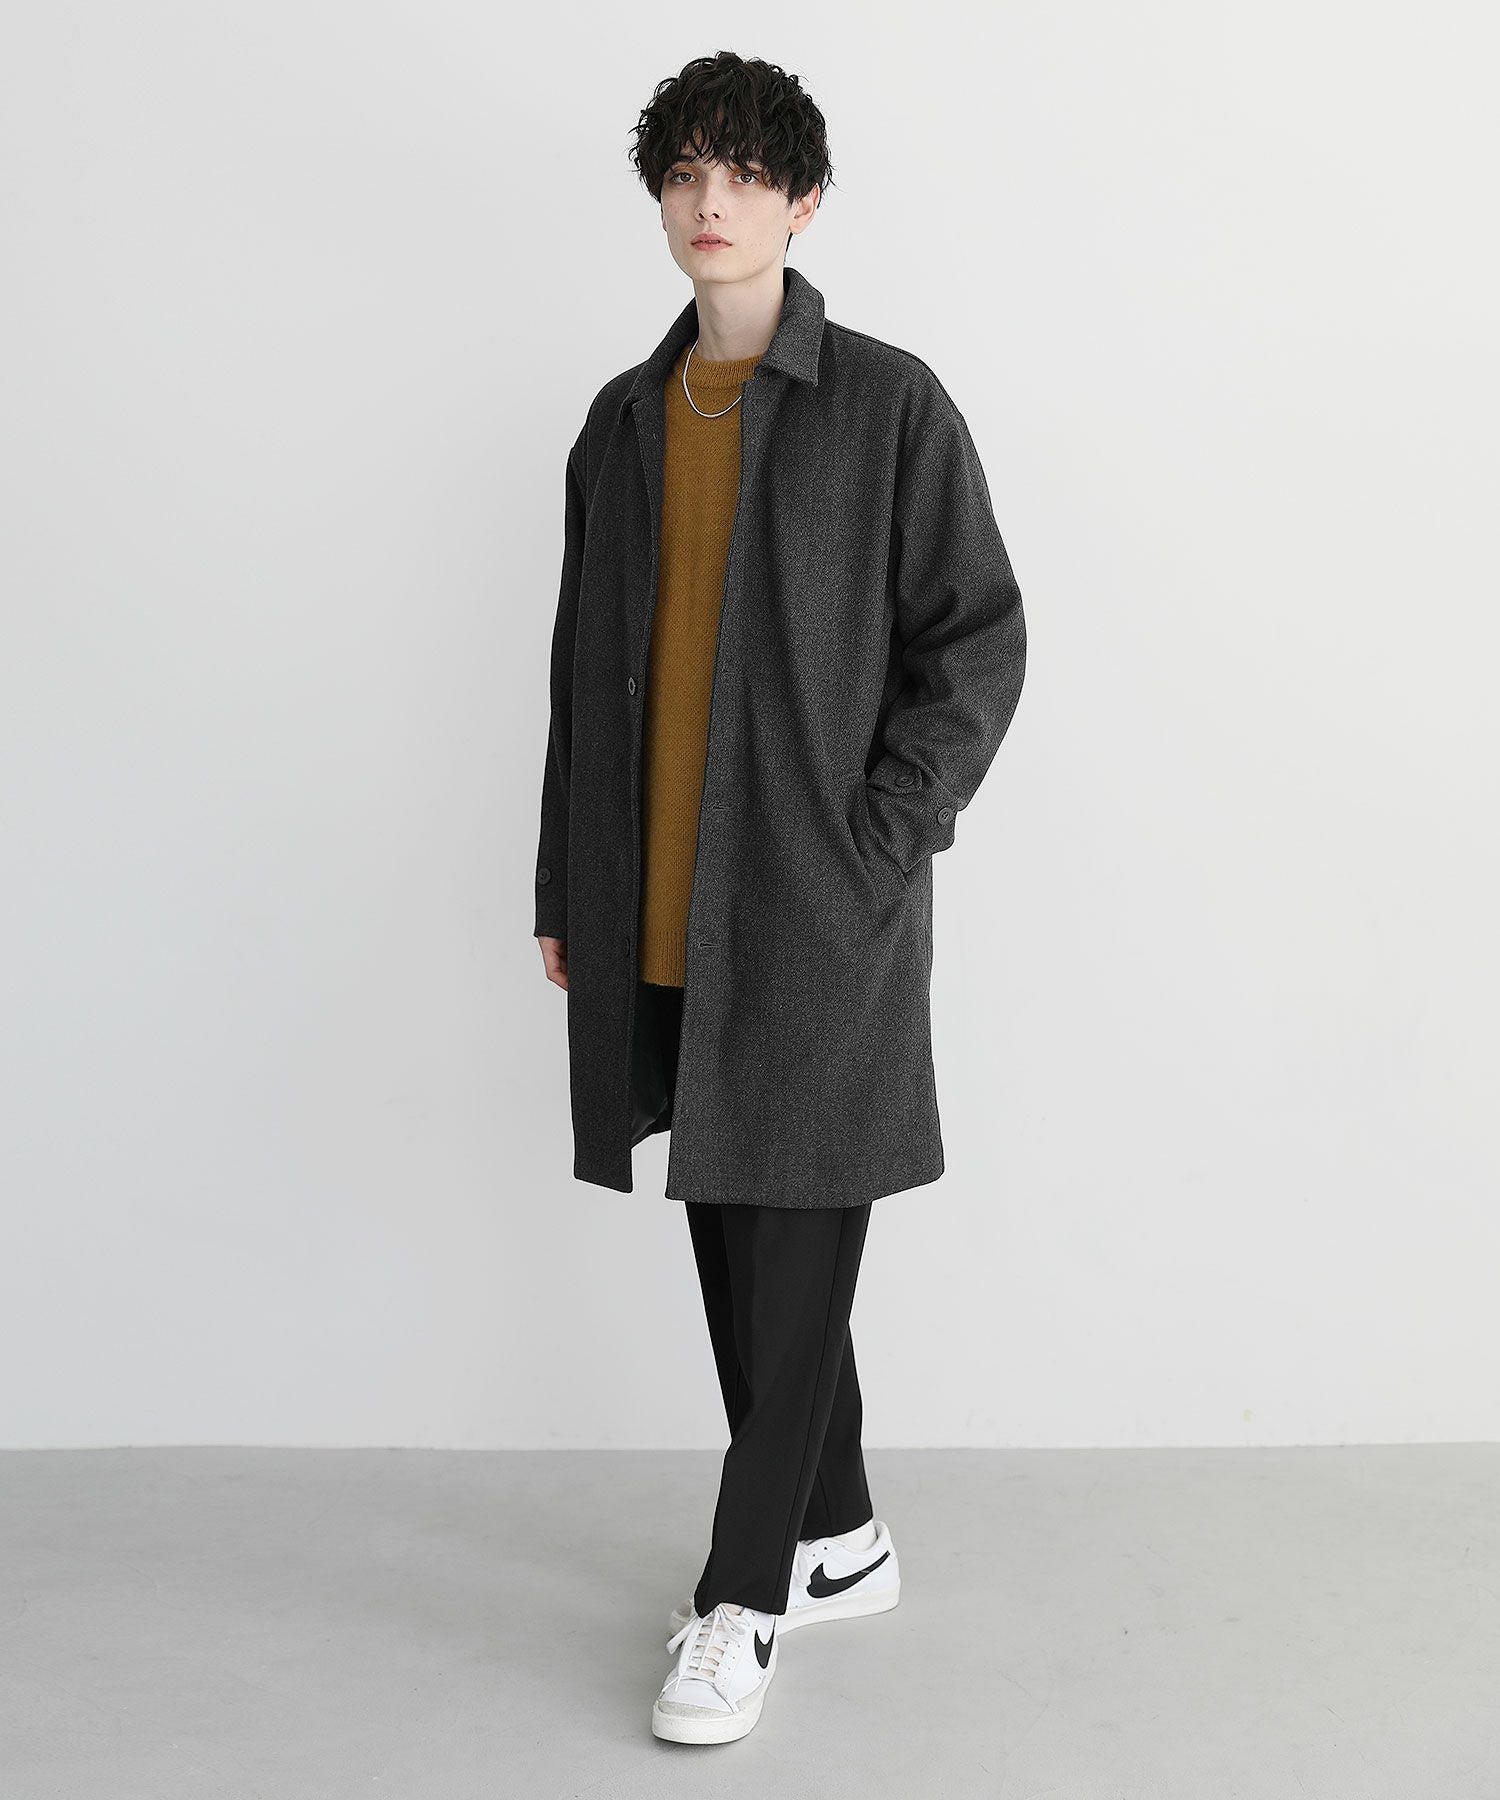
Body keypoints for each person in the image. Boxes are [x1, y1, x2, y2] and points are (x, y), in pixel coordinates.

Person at [533, 51, 1027, 1745]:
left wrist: (885, 837)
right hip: (658, 898)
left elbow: (977, 641)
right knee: (736, 1233)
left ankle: (741, 1600)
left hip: (817, 905)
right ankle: (842, 1531)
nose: (710, 202)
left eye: (743, 173)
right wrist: (569, 882)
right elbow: (579, 682)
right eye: (684, 172)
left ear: (803, 201)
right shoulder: (620, 421)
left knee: (799, 1236)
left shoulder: (887, 406)